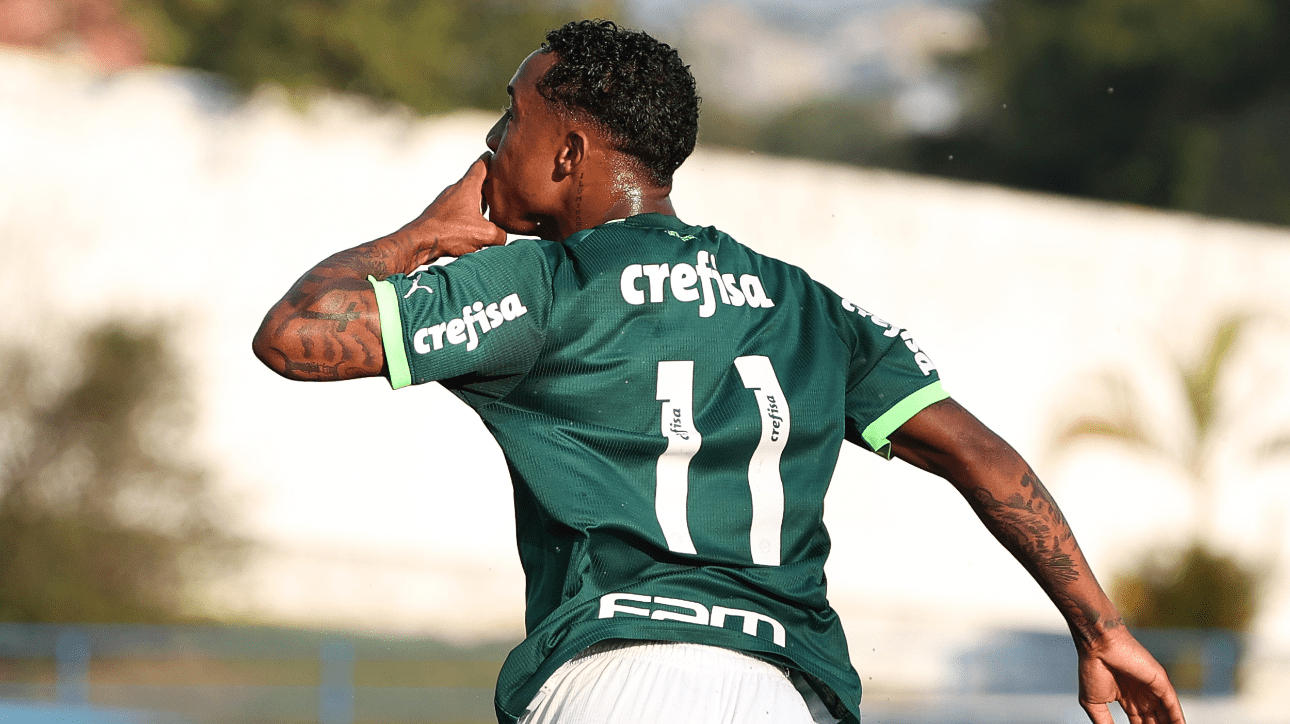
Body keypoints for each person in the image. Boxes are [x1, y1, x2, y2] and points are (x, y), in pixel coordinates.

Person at [253, 19, 1187, 724]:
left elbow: (294, 333)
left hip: (613, 681)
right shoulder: (809, 306)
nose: (495, 141)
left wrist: (426, 236)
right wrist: (1100, 627)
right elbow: (981, 456)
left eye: (513, 115)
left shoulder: (545, 286)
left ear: (570, 153)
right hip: (789, 695)